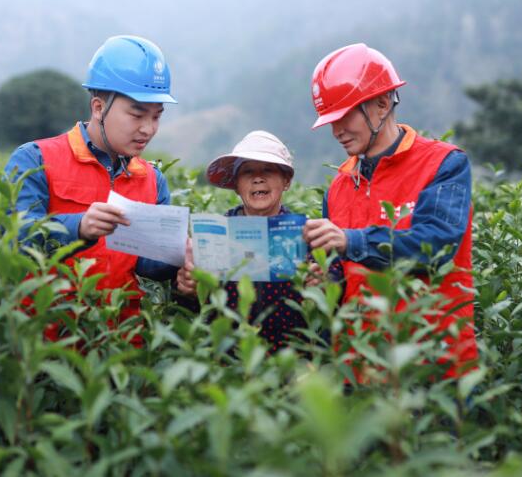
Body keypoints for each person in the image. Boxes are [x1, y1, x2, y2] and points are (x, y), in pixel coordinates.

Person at [302, 44, 477, 377]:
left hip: (432, 366)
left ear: (382, 104)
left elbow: (436, 246)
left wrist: (350, 241)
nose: (336, 131)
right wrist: (326, 279)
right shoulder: (339, 186)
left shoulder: (443, 164)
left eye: (344, 117)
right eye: (331, 121)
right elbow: (343, 274)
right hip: (358, 369)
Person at [4, 35, 179, 341]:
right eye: (137, 114)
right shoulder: (35, 159)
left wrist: (181, 257)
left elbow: (148, 265)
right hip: (46, 344)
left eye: (156, 116)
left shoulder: (152, 179)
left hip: (121, 344)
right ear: (99, 107)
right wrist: (79, 227)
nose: (148, 129)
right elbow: (10, 240)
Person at [176, 131, 324, 353]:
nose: (258, 178)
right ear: (236, 185)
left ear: (286, 181)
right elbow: (195, 305)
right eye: (247, 172)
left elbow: (329, 300)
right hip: (229, 357)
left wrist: (320, 285)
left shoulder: (306, 235)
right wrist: (189, 289)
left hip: (291, 356)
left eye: (268, 170)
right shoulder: (216, 234)